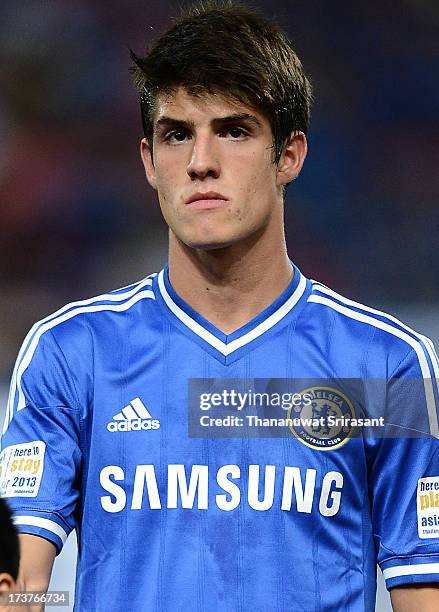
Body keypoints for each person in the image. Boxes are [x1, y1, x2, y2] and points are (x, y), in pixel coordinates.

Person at [1, 1, 438, 610]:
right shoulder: (72, 354)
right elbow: (18, 582)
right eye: (177, 134)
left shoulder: (386, 365)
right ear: (150, 162)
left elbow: (423, 587)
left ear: (289, 155)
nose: (200, 161)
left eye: (233, 130)